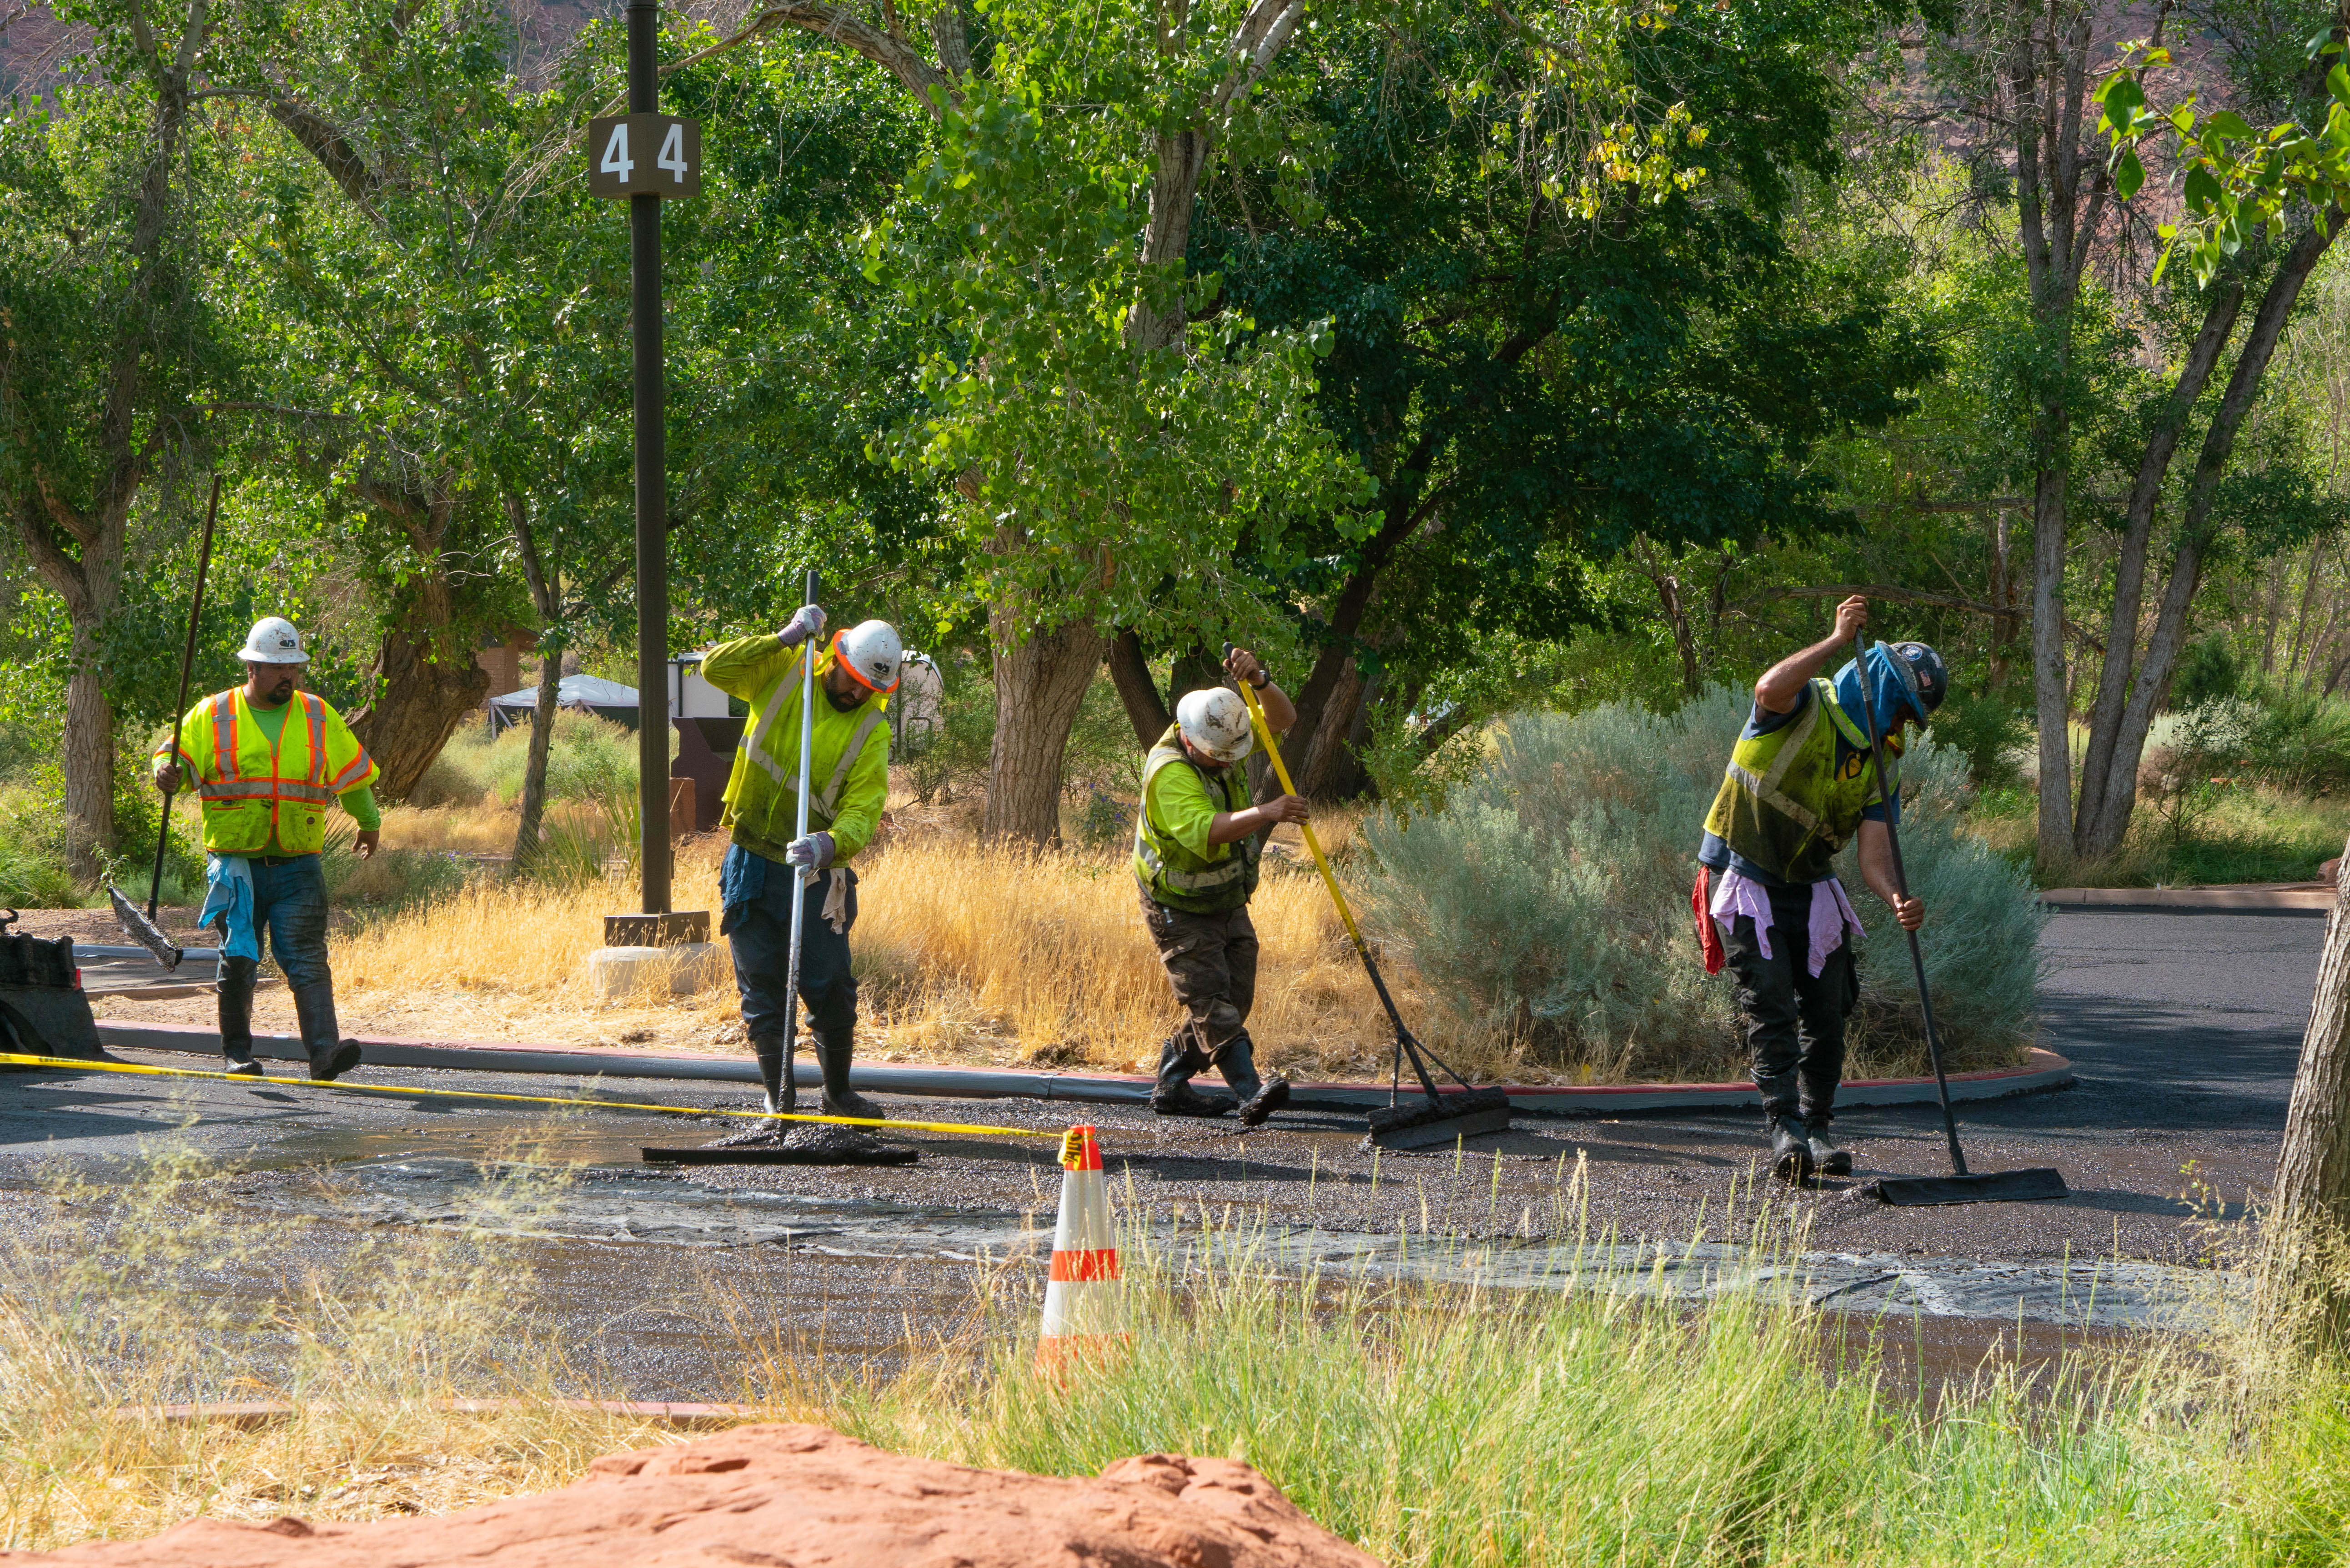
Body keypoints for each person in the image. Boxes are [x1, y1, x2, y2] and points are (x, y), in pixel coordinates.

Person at [1694, 594, 1948, 1182]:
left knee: (1831, 1008)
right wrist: (1835, 641)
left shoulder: (1884, 766)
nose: (1902, 728)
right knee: (1772, 1003)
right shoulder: (1804, 704)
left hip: (1810, 884)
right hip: (1744, 874)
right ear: (1883, 690)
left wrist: (1896, 900)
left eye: (1911, 721)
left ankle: (1818, 1127)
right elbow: (1765, 689)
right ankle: (1784, 1130)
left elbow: (1875, 859)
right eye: (1902, 712)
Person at [151, 616, 380, 1081]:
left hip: (299, 863)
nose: (288, 676)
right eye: (278, 668)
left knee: (307, 958)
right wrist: (166, 773)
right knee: (239, 960)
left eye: (293, 666)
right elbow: (172, 758)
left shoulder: (317, 714)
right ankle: (238, 1054)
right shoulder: (212, 714)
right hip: (237, 867)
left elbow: (350, 773)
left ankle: (324, 1054)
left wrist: (369, 821)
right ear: (252, 668)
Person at [701, 604, 900, 1120]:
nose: (857, 694)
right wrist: (783, 637)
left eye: (869, 689)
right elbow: (714, 670)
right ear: (836, 657)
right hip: (751, 856)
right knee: (762, 985)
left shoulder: (870, 729)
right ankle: (779, 1098)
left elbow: (863, 809)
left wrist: (828, 845)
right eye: (853, 680)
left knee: (830, 983)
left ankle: (838, 1094)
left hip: (814, 872)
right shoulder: (787, 671)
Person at [1134, 646, 1308, 1124]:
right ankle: (1250, 1091)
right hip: (1177, 902)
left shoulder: (1221, 731)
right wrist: (1268, 812)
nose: (1224, 763)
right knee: (1209, 997)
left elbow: (1284, 717)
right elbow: (1204, 829)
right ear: (1189, 739)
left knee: (1235, 995)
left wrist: (1260, 681)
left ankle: (1171, 1078)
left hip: (1225, 895)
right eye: (1215, 758)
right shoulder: (1168, 772)